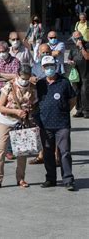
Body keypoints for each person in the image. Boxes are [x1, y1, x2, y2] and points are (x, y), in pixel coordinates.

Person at [0, 65, 37, 189]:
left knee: (22, 151)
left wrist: (30, 111)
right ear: (17, 75)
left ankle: (21, 178)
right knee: (1, 150)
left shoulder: (32, 88)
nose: (24, 81)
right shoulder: (9, 86)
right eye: (22, 78)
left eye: (27, 79)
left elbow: (36, 105)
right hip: (6, 120)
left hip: (22, 122)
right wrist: (15, 112)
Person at [36, 56, 77, 191]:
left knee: (65, 152)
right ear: (43, 68)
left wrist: (63, 111)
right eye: (46, 66)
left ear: (55, 66)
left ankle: (68, 179)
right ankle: (50, 179)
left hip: (62, 124)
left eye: (51, 66)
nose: (49, 69)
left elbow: (73, 99)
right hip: (45, 124)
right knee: (47, 152)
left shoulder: (64, 82)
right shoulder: (40, 84)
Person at [68, 31, 89, 118]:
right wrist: (70, 62)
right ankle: (79, 109)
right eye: (75, 38)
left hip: (86, 73)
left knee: (85, 91)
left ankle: (86, 110)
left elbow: (87, 57)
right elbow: (69, 58)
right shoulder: (72, 48)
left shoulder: (87, 45)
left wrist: (81, 47)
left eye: (78, 38)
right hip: (76, 74)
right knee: (76, 91)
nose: (77, 40)